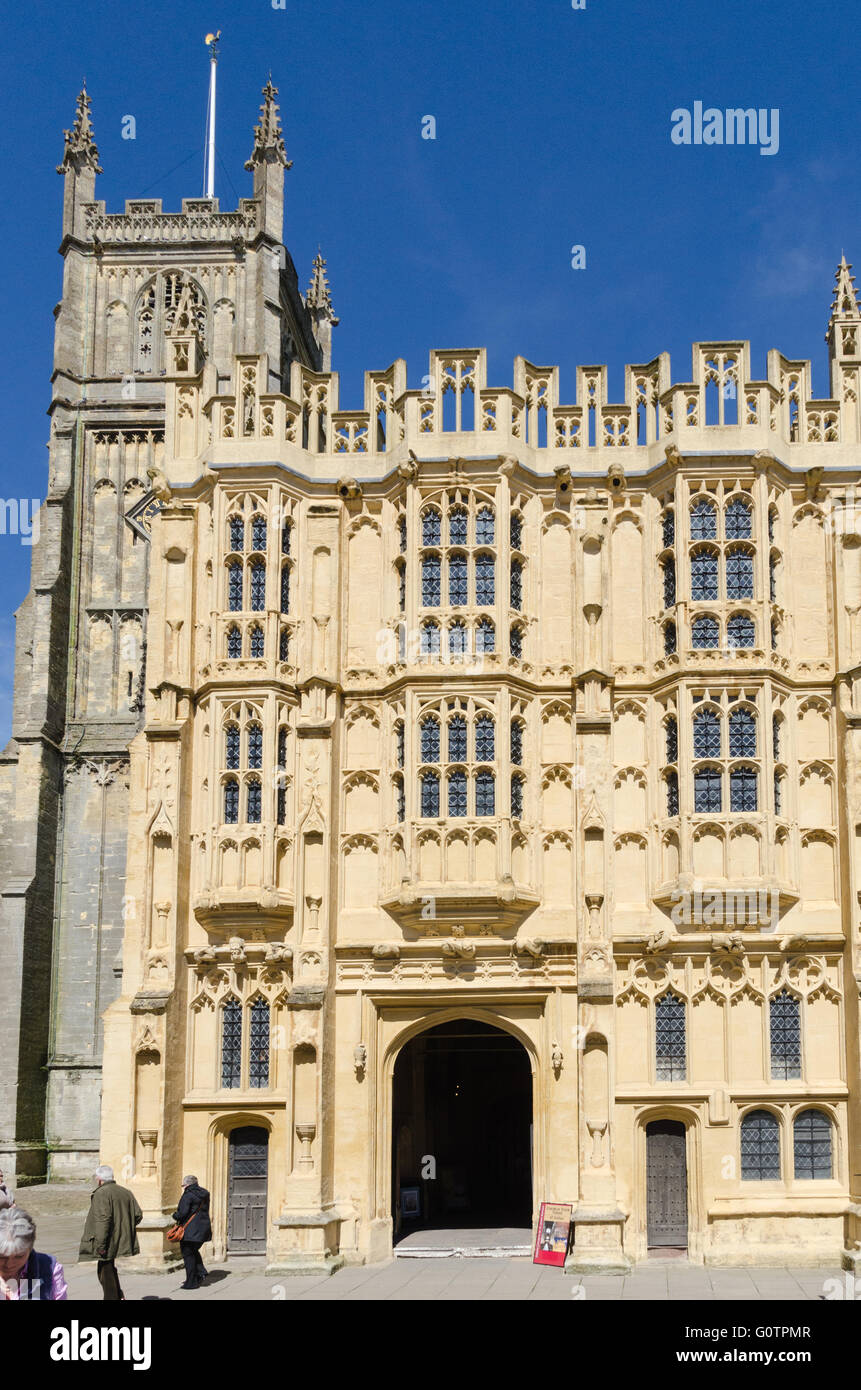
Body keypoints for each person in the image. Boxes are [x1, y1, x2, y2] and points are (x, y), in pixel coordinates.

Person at [79, 1163, 142, 1301]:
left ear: (100, 1179)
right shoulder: (125, 1191)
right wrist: (123, 1228)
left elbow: (103, 1221)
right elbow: (138, 1215)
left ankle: (113, 1297)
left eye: (96, 1179)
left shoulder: (101, 1193)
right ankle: (119, 1295)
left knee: (105, 1272)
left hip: (106, 1240)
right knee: (108, 1269)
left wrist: (101, 1246)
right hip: (119, 1238)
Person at [0, 1207, 67, 1300]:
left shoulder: (47, 1267)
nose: (9, 1264)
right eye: (2, 1257)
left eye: (19, 1256)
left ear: (30, 1248)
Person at [172, 1175, 212, 1290]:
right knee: (193, 1251)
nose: (183, 1188)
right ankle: (201, 1273)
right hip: (203, 1229)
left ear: (187, 1184)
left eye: (183, 1185)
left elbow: (182, 1213)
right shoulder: (205, 1194)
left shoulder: (188, 1195)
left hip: (189, 1230)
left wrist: (175, 1216)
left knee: (188, 1255)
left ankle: (191, 1282)